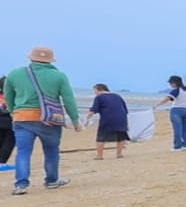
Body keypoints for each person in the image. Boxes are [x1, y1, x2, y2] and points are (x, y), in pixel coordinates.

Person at [4, 46, 82, 194]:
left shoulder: (14, 74)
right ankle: (51, 180)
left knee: (23, 152)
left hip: (22, 118)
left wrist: (13, 111)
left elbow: (8, 96)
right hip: (50, 119)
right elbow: (68, 99)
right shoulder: (59, 76)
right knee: (51, 150)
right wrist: (75, 120)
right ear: (50, 60)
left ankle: (20, 184)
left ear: (31, 58)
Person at [86, 84, 131, 159]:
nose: (95, 93)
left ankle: (99, 156)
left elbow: (93, 110)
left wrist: (86, 119)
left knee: (101, 137)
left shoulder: (99, 97)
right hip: (122, 118)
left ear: (100, 89)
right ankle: (119, 154)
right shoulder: (117, 96)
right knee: (121, 136)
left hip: (108, 119)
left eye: (95, 91)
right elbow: (125, 110)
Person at [152, 76, 186, 149]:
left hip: (176, 111)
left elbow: (167, 99)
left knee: (177, 128)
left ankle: (177, 146)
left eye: (170, 83)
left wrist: (157, 105)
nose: (170, 85)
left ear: (174, 83)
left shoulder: (176, 90)